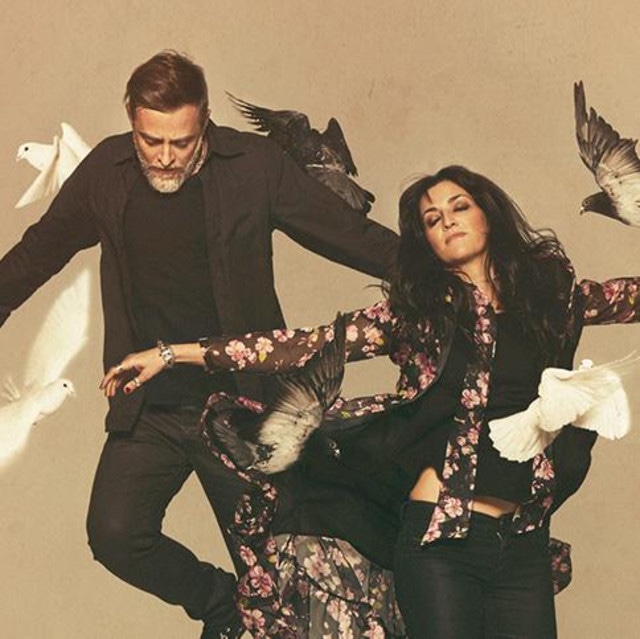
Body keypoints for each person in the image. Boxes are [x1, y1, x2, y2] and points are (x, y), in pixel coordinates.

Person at [102, 164, 640, 638]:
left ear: (488, 215)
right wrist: (173, 354)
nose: (448, 221)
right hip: (440, 542)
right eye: (432, 219)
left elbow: (630, 297)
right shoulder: (415, 316)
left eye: (459, 207)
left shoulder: (554, 300)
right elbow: (300, 345)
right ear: (425, 242)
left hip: (522, 541)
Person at [0, 50, 399, 638]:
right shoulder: (106, 170)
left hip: (245, 409)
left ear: (205, 121)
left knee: (278, 570)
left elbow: (346, 233)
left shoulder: (255, 165)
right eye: (150, 141)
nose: (165, 157)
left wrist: (446, 277)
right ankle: (224, 607)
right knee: (115, 533)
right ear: (131, 120)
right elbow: (38, 252)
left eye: (181, 143)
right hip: (151, 406)